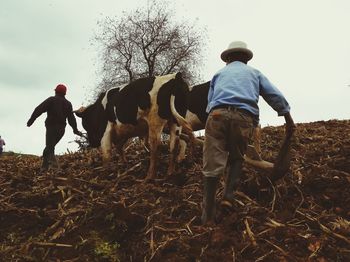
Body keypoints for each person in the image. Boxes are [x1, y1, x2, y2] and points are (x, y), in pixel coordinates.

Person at [201, 41, 295, 225]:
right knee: (237, 156)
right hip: (243, 118)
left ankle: (207, 216)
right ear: (246, 59)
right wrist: (287, 118)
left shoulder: (219, 74)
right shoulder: (254, 73)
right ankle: (228, 195)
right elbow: (274, 95)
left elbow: (209, 103)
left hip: (217, 115)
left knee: (211, 164)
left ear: (227, 59)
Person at [27, 84, 82, 170]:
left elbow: (39, 109)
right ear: (65, 94)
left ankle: (54, 167)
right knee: (50, 147)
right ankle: (44, 168)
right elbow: (71, 119)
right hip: (61, 130)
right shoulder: (68, 104)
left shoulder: (51, 100)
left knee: (49, 147)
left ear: (56, 91)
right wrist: (75, 130)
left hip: (51, 128)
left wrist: (31, 120)